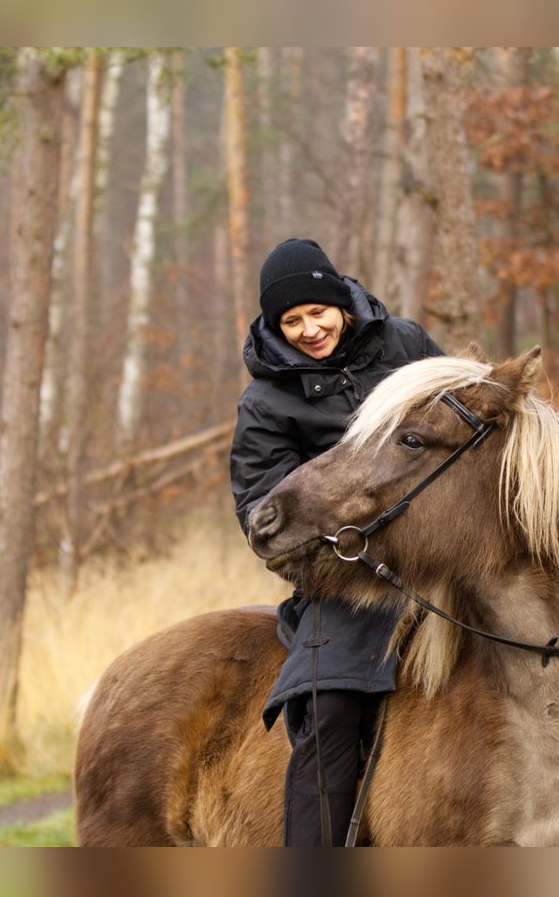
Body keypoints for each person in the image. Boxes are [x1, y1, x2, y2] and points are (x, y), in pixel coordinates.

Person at [230, 237, 443, 846]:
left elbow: (468, 429)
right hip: (354, 584)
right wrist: (356, 568)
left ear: (341, 302)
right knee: (330, 709)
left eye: (316, 312)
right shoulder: (266, 402)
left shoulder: (408, 345)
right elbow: (263, 520)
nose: (308, 329)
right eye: (290, 321)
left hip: (449, 554)